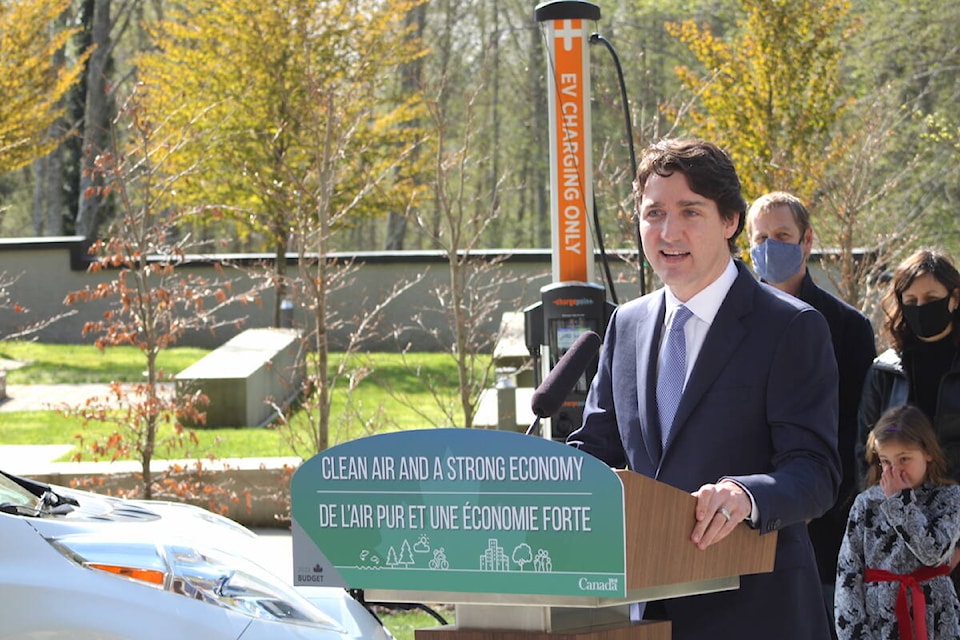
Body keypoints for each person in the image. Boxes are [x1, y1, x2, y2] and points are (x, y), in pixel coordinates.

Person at [567, 138, 841, 639]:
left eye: (690, 211)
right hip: (643, 616)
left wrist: (745, 494)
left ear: (730, 221)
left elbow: (816, 472)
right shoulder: (625, 325)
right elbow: (596, 451)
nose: (669, 232)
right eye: (654, 213)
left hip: (757, 612)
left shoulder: (789, 327)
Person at [747, 191, 877, 634]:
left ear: (806, 241)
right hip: (739, 520)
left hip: (820, 527)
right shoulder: (729, 325)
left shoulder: (848, 328)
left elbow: (856, 434)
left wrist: (814, 501)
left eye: (782, 235)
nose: (769, 246)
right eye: (760, 237)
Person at [835, 404, 960, 639]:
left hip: (934, 619)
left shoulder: (949, 498)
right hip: (879, 622)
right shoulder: (866, 504)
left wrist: (900, 502)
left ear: (928, 453)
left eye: (904, 459)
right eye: (886, 461)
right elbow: (848, 573)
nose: (895, 471)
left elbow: (934, 553)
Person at [856, 249, 960, 485]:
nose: (921, 307)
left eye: (931, 299)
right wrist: (875, 508)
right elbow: (865, 449)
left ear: (955, 298)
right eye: (911, 301)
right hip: (897, 505)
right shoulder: (885, 370)